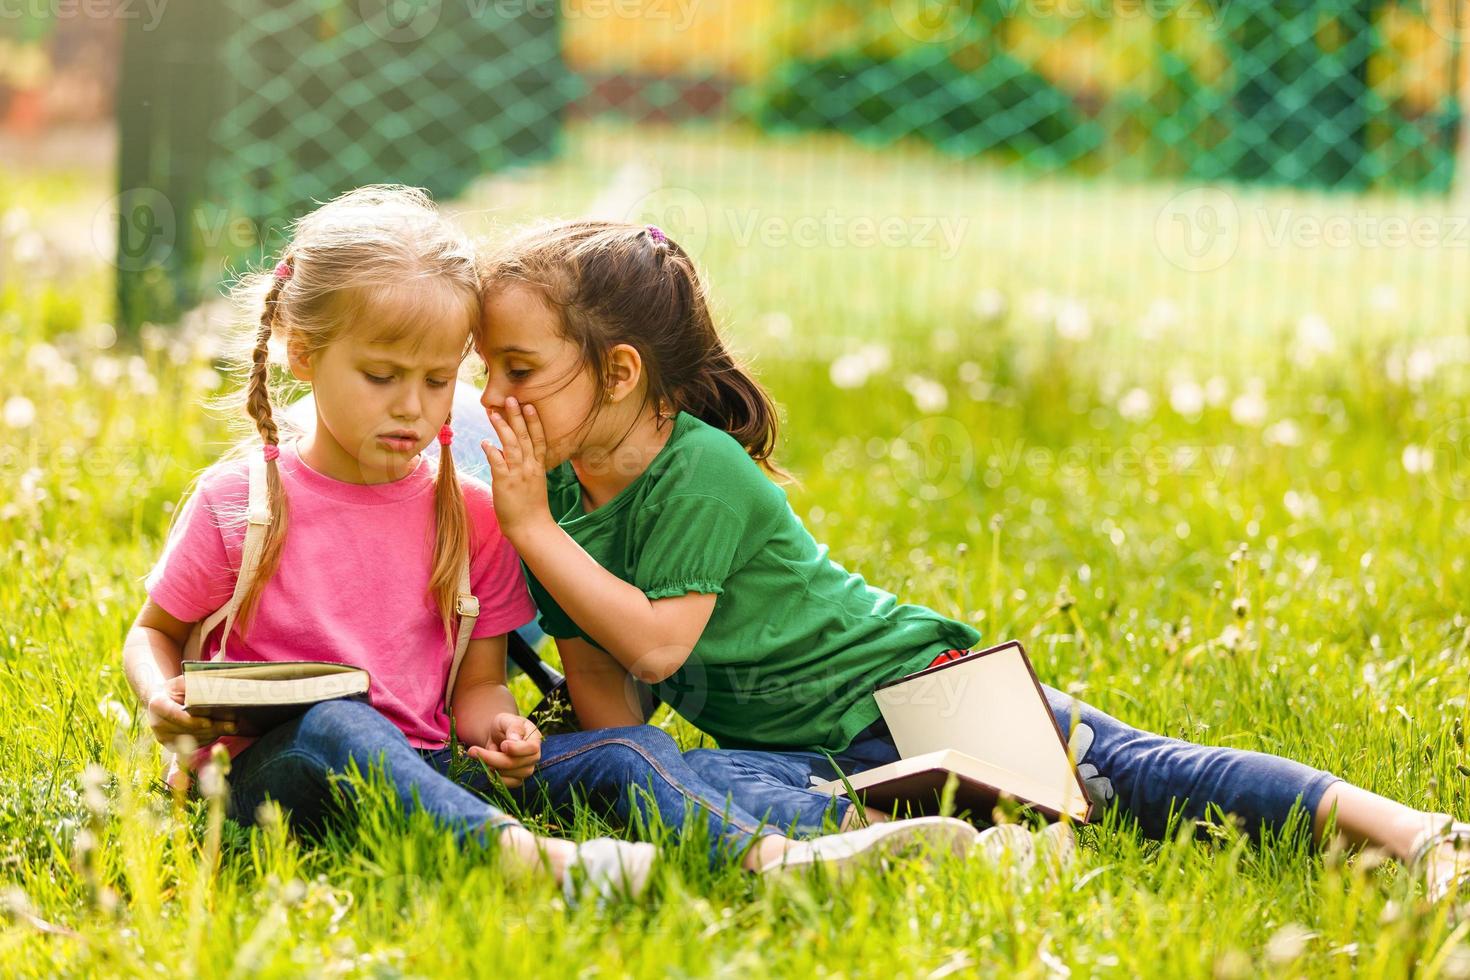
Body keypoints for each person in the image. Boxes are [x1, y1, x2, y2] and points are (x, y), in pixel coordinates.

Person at [473, 218, 1470, 900]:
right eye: (486, 370)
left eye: (517, 369)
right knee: (636, 770)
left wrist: (532, 536)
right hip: (805, 754)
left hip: (910, 692)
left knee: (1138, 773)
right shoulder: (558, 492)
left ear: (619, 370)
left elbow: (653, 646)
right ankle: (951, 833)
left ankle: (1415, 832)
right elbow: (619, 709)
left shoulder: (702, 469)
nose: (490, 397)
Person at [121, 186, 983, 901]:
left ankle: (797, 850)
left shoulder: (471, 515)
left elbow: (478, 689)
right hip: (268, 783)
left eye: (436, 381)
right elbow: (153, 631)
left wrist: (502, 731)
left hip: (438, 767)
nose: (415, 409)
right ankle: (530, 863)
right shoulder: (244, 501)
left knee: (628, 749)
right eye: (382, 378)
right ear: (303, 356)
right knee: (342, 722)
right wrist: (162, 696)